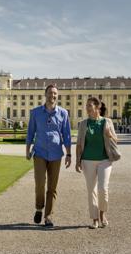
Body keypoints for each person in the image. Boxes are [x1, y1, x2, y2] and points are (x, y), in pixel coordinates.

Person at [26, 84, 72, 228]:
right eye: (50, 93)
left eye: (55, 94)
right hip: (39, 152)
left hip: (56, 153)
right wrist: (27, 150)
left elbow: (67, 135)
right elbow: (30, 133)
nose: (53, 96)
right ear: (45, 95)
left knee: (52, 187)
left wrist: (69, 154)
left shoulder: (63, 113)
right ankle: (39, 208)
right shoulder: (35, 113)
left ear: (57, 96)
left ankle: (48, 216)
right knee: (40, 183)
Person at [75, 97, 118, 229]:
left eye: (89, 105)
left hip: (105, 160)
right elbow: (79, 144)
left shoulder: (107, 121)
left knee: (103, 189)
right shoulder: (83, 124)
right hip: (87, 160)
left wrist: (109, 134)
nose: (87, 108)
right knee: (91, 190)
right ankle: (94, 219)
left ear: (97, 107)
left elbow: (116, 140)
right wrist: (77, 161)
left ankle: (102, 214)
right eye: (86, 106)